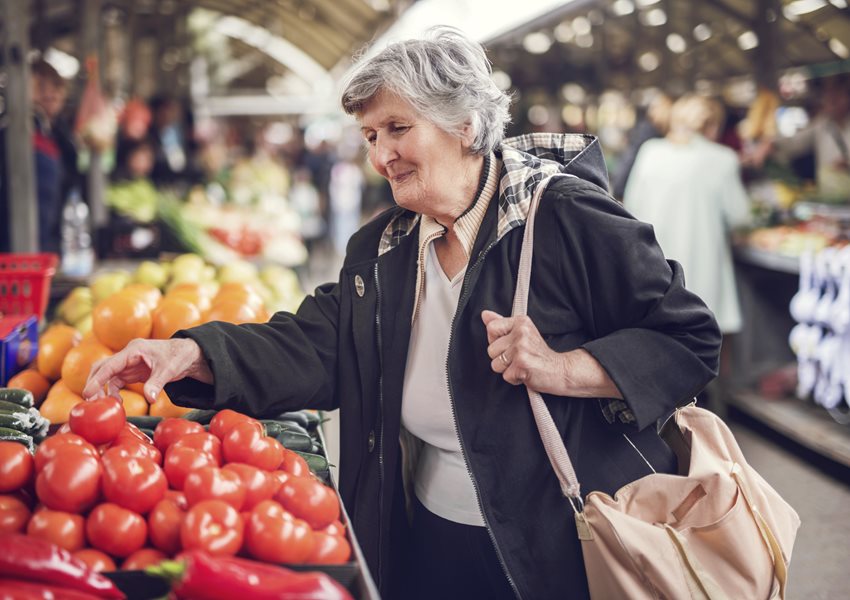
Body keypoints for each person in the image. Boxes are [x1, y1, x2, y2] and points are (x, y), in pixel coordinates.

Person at [84, 28, 721, 600]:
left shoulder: (564, 218)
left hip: (557, 543)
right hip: (427, 535)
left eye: (397, 128)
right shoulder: (385, 247)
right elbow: (320, 345)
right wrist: (192, 352)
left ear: (466, 125)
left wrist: (566, 368)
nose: (381, 154)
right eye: (369, 136)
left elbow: (689, 338)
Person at [624, 94, 751, 344]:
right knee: (701, 347)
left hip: (654, 273)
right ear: (712, 126)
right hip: (702, 277)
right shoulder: (723, 159)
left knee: (659, 346)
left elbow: (631, 207)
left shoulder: (650, 153)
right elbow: (740, 217)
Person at [0, 59, 72, 253]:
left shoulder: (58, 134)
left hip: (49, 240)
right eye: (40, 86)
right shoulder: (10, 131)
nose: (50, 94)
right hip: (12, 244)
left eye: (56, 86)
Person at [609, 91, 672, 200]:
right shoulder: (648, 131)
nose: (652, 112)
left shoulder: (651, 131)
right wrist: (619, 189)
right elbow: (630, 158)